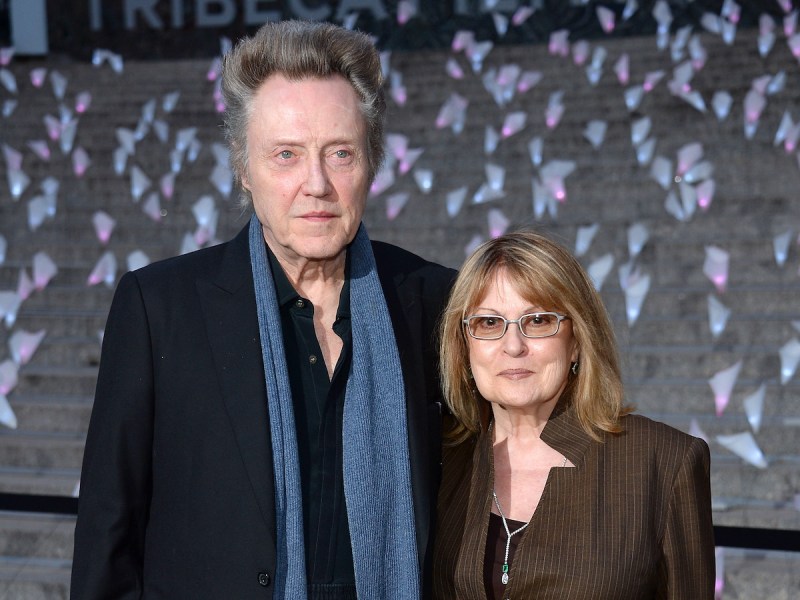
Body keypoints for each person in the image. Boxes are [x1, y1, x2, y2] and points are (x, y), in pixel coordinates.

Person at [71, 20, 454, 600]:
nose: (317, 183)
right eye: (286, 156)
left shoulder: (436, 301)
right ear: (244, 171)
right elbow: (108, 532)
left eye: (340, 154)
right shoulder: (159, 309)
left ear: (372, 163)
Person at [432, 230, 715, 599]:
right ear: (463, 344)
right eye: (489, 323)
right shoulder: (437, 457)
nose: (513, 346)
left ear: (577, 341)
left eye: (538, 321)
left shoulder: (663, 461)